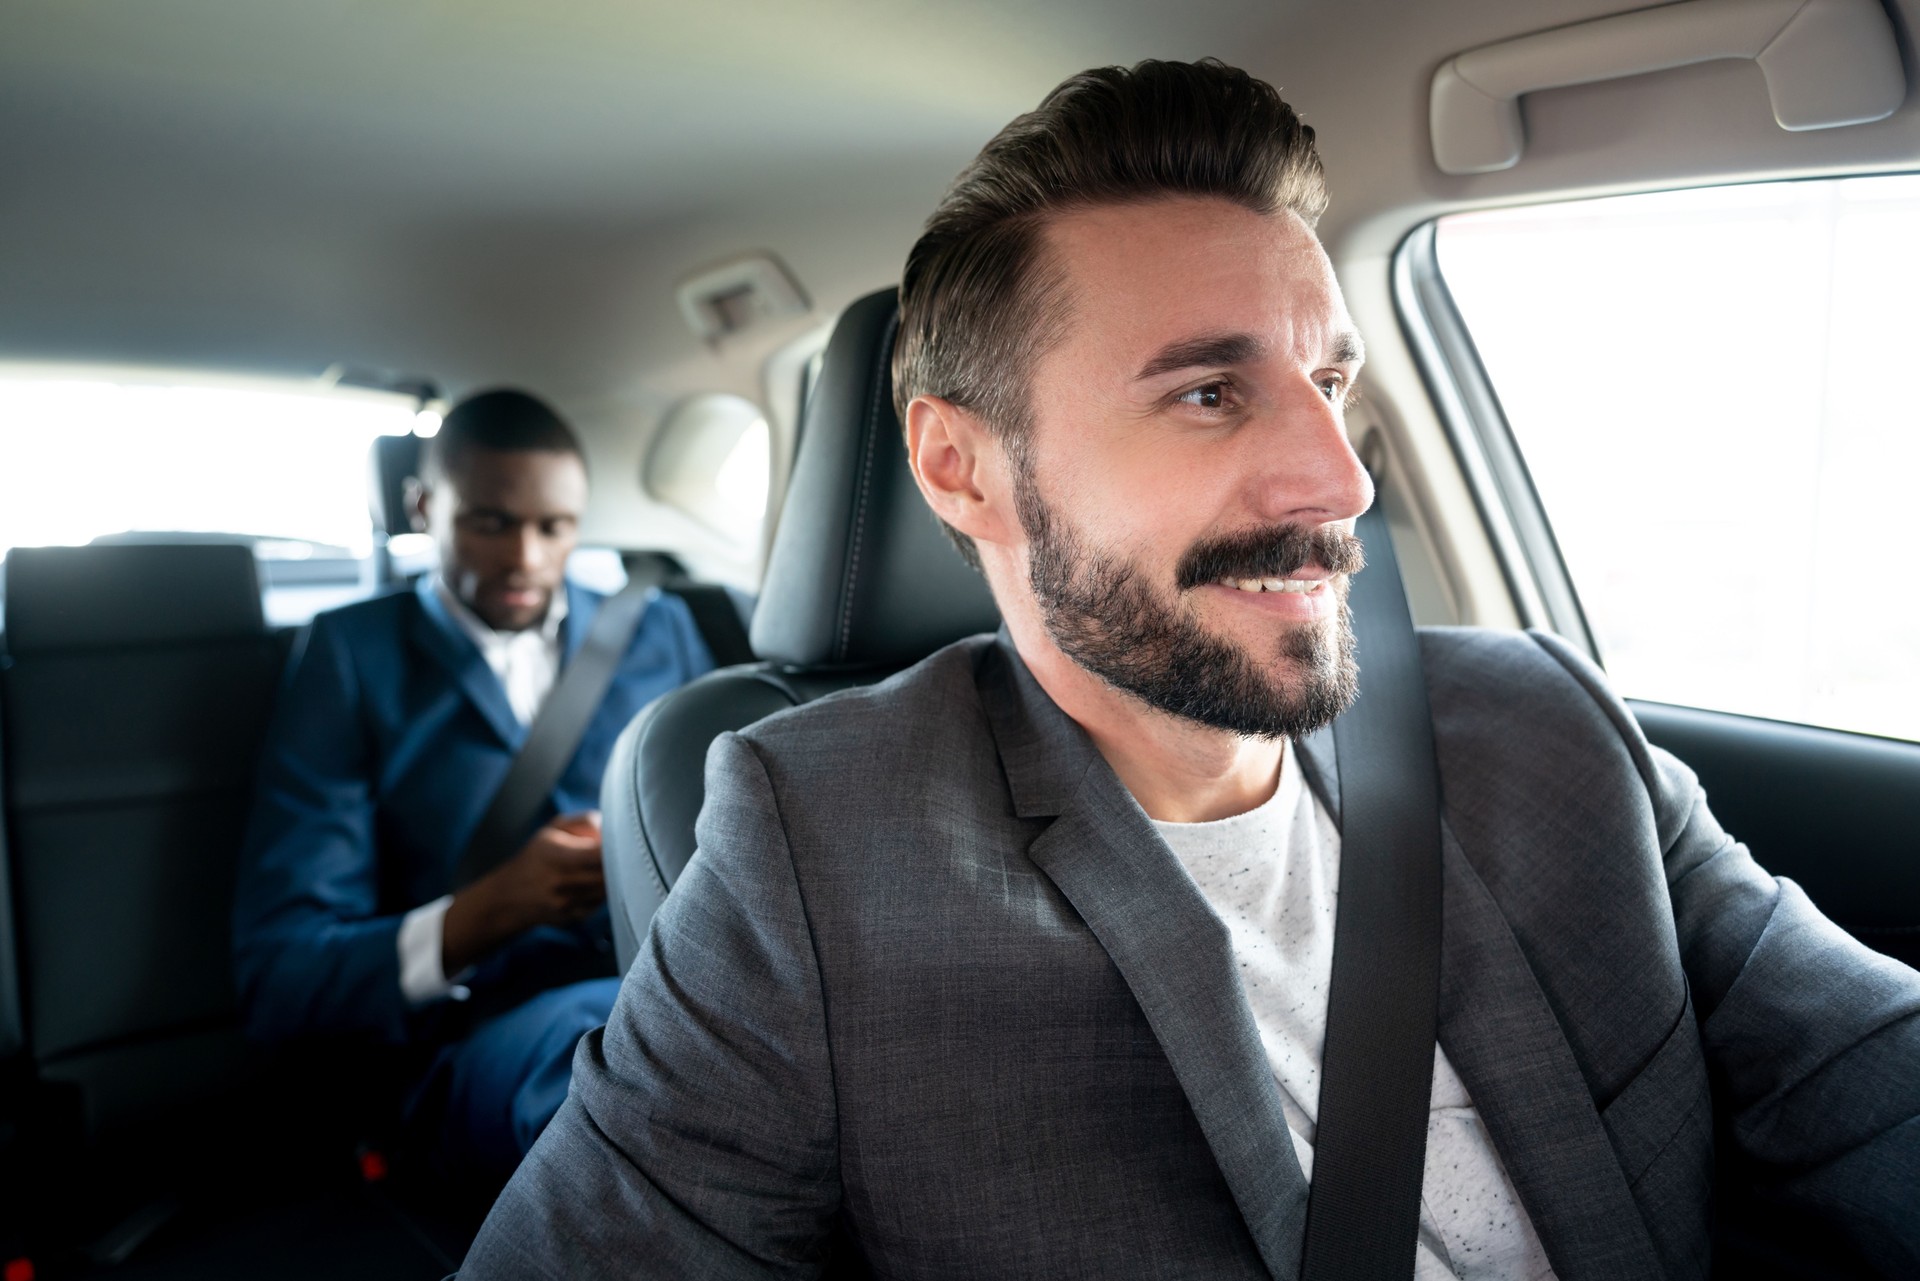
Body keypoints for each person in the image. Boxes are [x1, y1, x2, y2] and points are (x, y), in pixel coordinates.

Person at [463, 63, 1920, 1277]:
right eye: (1209, 392)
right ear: (961, 469)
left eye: (1329, 382)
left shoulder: (1543, 727)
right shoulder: (817, 852)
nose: (1338, 480)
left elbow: (1872, 1078)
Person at [233, 388, 714, 1182]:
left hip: (670, 982)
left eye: (553, 527)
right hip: (475, 1041)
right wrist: (493, 909)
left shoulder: (655, 627)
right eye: (490, 521)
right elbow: (282, 978)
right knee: (618, 1058)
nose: (525, 558)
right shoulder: (352, 657)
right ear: (425, 507)